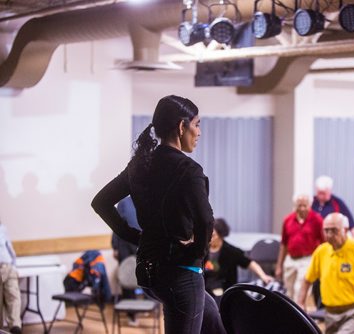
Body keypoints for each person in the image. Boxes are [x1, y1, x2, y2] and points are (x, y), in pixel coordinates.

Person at [91, 95, 225, 334]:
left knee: (212, 316)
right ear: (182, 126)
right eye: (197, 124)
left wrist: (132, 236)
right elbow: (206, 220)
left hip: (148, 271)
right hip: (180, 274)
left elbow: (100, 202)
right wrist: (196, 253)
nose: (199, 132)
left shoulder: (140, 165)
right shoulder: (189, 169)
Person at [298, 213, 354, 334]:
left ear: (345, 230)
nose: (329, 235)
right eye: (326, 231)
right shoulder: (321, 251)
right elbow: (307, 281)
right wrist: (301, 303)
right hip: (330, 313)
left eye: (334, 230)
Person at [204, 218, 273, 304]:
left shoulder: (231, 252)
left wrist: (263, 276)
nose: (210, 238)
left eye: (213, 235)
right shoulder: (203, 251)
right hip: (205, 290)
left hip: (224, 291)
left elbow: (249, 263)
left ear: (220, 235)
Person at [275, 194, 324, 302]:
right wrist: (279, 266)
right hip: (290, 259)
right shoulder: (288, 219)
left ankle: (299, 316)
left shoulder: (317, 220)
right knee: (288, 293)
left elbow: (324, 243)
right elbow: (284, 244)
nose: (302, 208)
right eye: (299, 205)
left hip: (307, 259)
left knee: (300, 291)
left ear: (310, 205)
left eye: (305, 205)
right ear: (295, 205)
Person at [112, 196, 139, 325]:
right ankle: (131, 314)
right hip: (125, 244)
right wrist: (115, 246)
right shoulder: (123, 202)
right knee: (128, 276)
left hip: (144, 242)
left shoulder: (149, 197)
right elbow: (116, 224)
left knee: (148, 275)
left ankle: (148, 306)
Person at [0, 219, 22, 334]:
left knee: (14, 297)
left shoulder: (3, 228)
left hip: (8, 266)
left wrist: (14, 265)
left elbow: (9, 248)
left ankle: (15, 327)